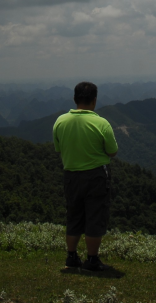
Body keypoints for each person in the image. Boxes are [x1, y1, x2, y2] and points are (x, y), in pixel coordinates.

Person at [52, 81, 118, 271]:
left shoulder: (60, 122)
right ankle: (92, 260)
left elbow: (58, 148)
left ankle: (71, 257)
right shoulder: (102, 123)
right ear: (94, 100)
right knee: (95, 216)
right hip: (96, 176)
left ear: (75, 99)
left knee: (73, 216)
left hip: (71, 175)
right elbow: (112, 152)